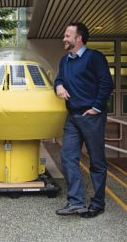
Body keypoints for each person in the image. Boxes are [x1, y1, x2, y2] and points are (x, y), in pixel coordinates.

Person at [54, 22, 113, 218]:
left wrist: (96, 108)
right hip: (72, 117)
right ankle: (76, 202)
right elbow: (59, 79)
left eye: (67, 35)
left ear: (78, 38)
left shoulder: (94, 58)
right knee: (68, 158)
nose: (64, 39)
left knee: (96, 162)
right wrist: (59, 86)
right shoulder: (65, 61)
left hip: (91, 117)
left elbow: (106, 83)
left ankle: (98, 203)